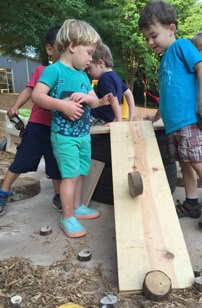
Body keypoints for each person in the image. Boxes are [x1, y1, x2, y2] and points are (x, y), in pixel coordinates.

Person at [138, 1, 202, 229]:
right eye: (146, 38)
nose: (150, 42)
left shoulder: (182, 46)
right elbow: (167, 94)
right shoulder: (165, 60)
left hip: (190, 121)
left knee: (198, 162)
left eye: (153, 35)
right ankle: (191, 203)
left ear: (172, 29)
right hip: (174, 125)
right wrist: (155, 117)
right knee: (185, 164)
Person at [32, 19, 114, 238]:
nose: (91, 59)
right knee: (69, 176)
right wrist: (62, 105)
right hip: (64, 136)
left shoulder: (82, 75)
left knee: (80, 173)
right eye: (89, 52)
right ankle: (67, 216)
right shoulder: (54, 70)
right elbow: (37, 96)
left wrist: (100, 100)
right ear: (72, 46)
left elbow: (93, 101)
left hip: (83, 135)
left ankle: (77, 207)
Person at [0, 26, 64, 216]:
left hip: (57, 128)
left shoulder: (70, 74)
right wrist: (16, 107)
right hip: (37, 125)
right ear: (50, 49)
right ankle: (3, 192)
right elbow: (29, 90)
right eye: (61, 48)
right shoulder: (43, 70)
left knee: (55, 165)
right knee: (21, 160)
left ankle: (59, 196)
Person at [87, 42, 137, 125]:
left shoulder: (104, 79)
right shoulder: (115, 76)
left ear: (100, 63)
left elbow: (113, 100)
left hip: (97, 117)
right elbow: (129, 93)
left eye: (89, 68)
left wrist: (118, 122)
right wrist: (133, 114)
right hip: (107, 118)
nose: (88, 72)